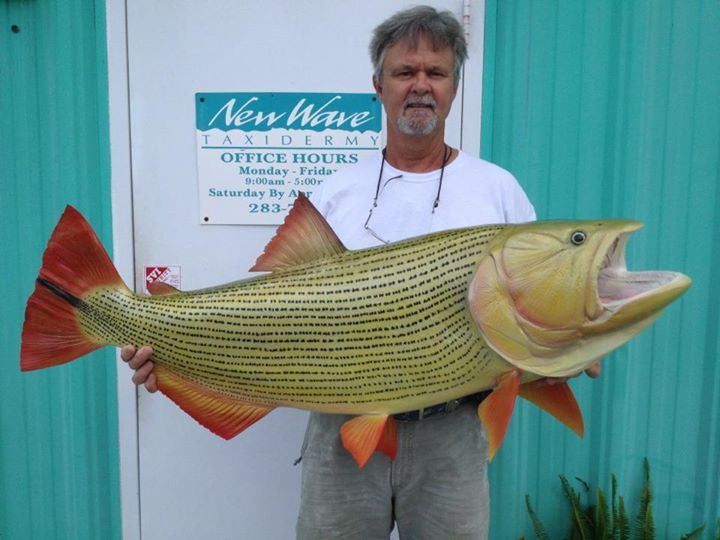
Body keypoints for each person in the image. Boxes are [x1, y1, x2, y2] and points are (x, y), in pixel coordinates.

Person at [122, 6, 600, 539]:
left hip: (451, 434)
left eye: (436, 73)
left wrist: (562, 352)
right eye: (405, 72)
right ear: (378, 85)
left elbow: (523, 325)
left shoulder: (498, 191)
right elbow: (274, 316)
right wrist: (169, 353)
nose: (420, 86)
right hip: (340, 428)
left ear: (455, 86)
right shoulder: (335, 192)